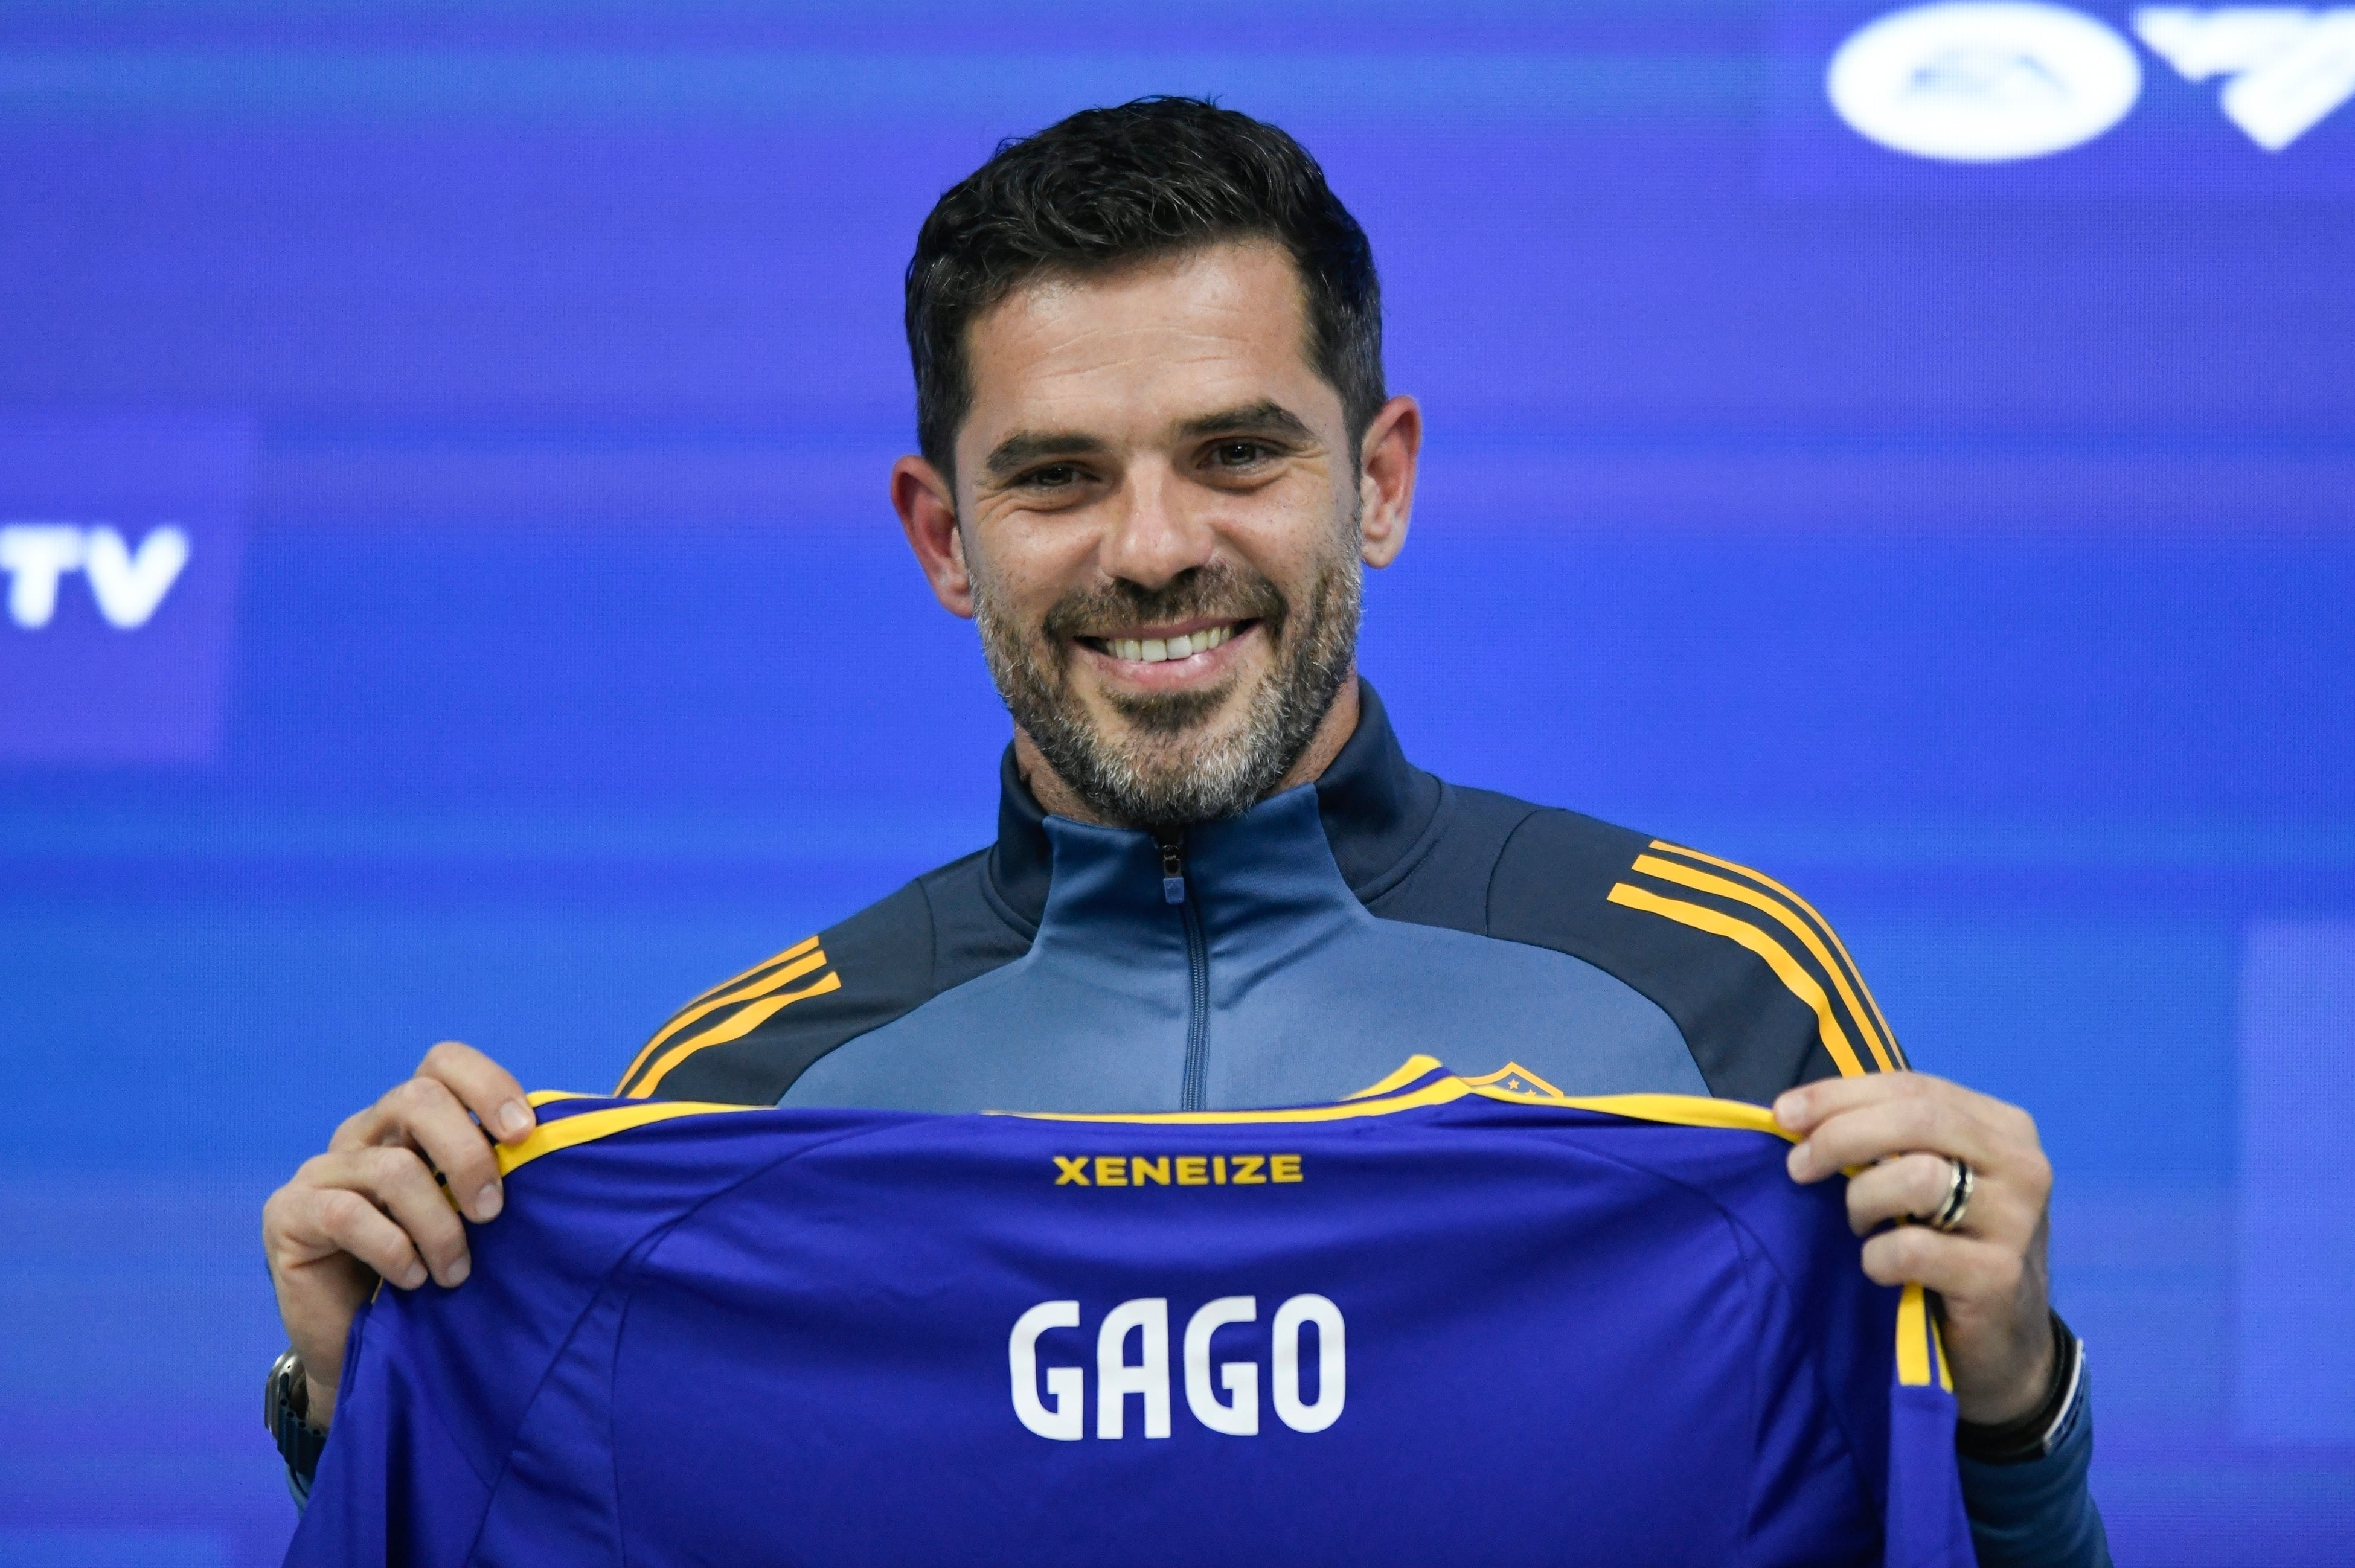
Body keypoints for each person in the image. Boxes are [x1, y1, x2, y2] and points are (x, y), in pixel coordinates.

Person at [261, 97, 2106, 1565]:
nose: (1152, 547)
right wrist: (380, 1415)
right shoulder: (720, 1116)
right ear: (938, 536)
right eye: (1057, 475)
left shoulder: (1725, 1003)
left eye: (1236, 455)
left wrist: (2010, 1408)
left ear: (1374, 483)